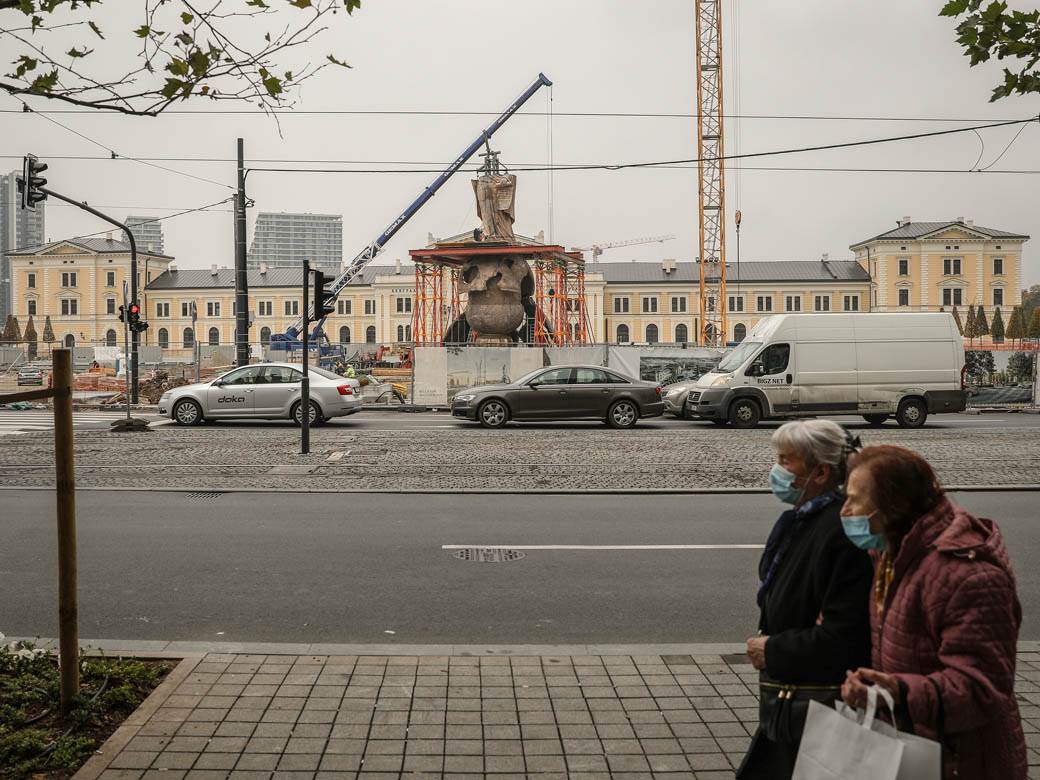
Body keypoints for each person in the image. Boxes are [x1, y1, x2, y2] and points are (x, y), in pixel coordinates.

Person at [840, 445, 1026, 780]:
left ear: (892, 506)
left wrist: (900, 692)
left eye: (855, 499)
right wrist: (881, 690)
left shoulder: (967, 576)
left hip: (962, 762)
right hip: (916, 750)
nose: (844, 511)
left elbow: (982, 689)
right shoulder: (891, 554)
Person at [737, 420, 874, 779]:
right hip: (795, 698)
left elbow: (845, 637)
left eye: (786, 460)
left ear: (820, 473)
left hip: (819, 705)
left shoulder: (841, 531)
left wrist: (774, 650)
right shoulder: (802, 520)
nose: (777, 469)